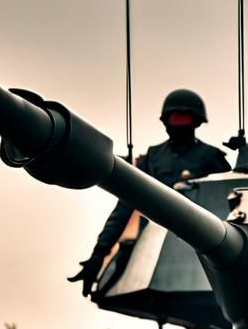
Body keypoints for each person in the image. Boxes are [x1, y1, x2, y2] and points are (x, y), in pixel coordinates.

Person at [70, 88, 230, 296]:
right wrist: (98, 256)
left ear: (196, 122)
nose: (179, 124)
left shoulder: (211, 157)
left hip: (200, 250)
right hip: (153, 249)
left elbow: (231, 201)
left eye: (184, 119)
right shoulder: (153, 159)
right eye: (176, 118)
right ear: (165, 122)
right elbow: (124, 208)